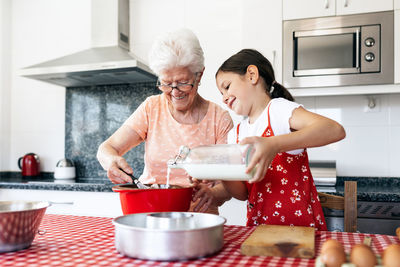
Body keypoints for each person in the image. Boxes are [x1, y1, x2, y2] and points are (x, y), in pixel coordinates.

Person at [97, 28, 233, 214]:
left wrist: (212, 193)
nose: (175, 92)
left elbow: (229, 186)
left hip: (198, 223)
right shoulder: (151, 108)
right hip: (149, 215)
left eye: (183, 82)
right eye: (166, 83)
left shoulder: (219, 119)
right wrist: (111, 161)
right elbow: (106, 148)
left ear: (199, 75)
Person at [215, 49, 346, 229]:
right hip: (258, 232)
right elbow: (243, 193)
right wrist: (219, 171)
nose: (223, 98)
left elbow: (334, 130)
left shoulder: (277, 110)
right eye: (221, 93)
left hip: (301, 231)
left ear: (252, 75)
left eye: (227, 86)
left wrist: (273, 144)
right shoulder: (236, 134)